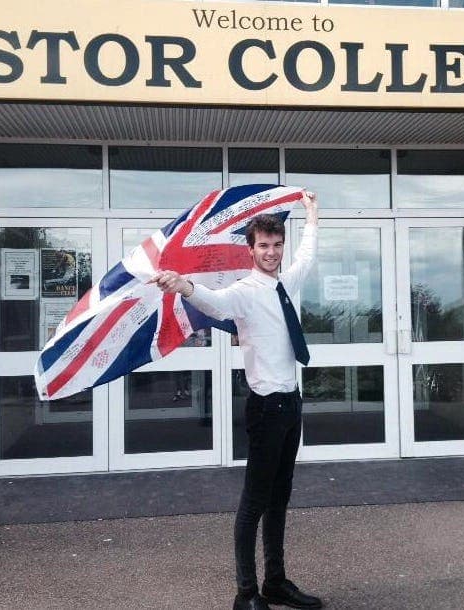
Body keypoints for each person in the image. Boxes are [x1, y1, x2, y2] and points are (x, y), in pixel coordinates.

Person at [154, 191, 322, 610]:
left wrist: (313, 215)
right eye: (263, 245)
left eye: (277, 244)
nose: (271, 252)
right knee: (254, 503)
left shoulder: (286, 283)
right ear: (251, 250)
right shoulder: (245, 291)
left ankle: (276, 582)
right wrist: (185, 285)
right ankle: (246, 594)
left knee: (280, 497)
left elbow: (308, 255)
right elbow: (215, 302)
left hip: (292, 403)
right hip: (266, 409)